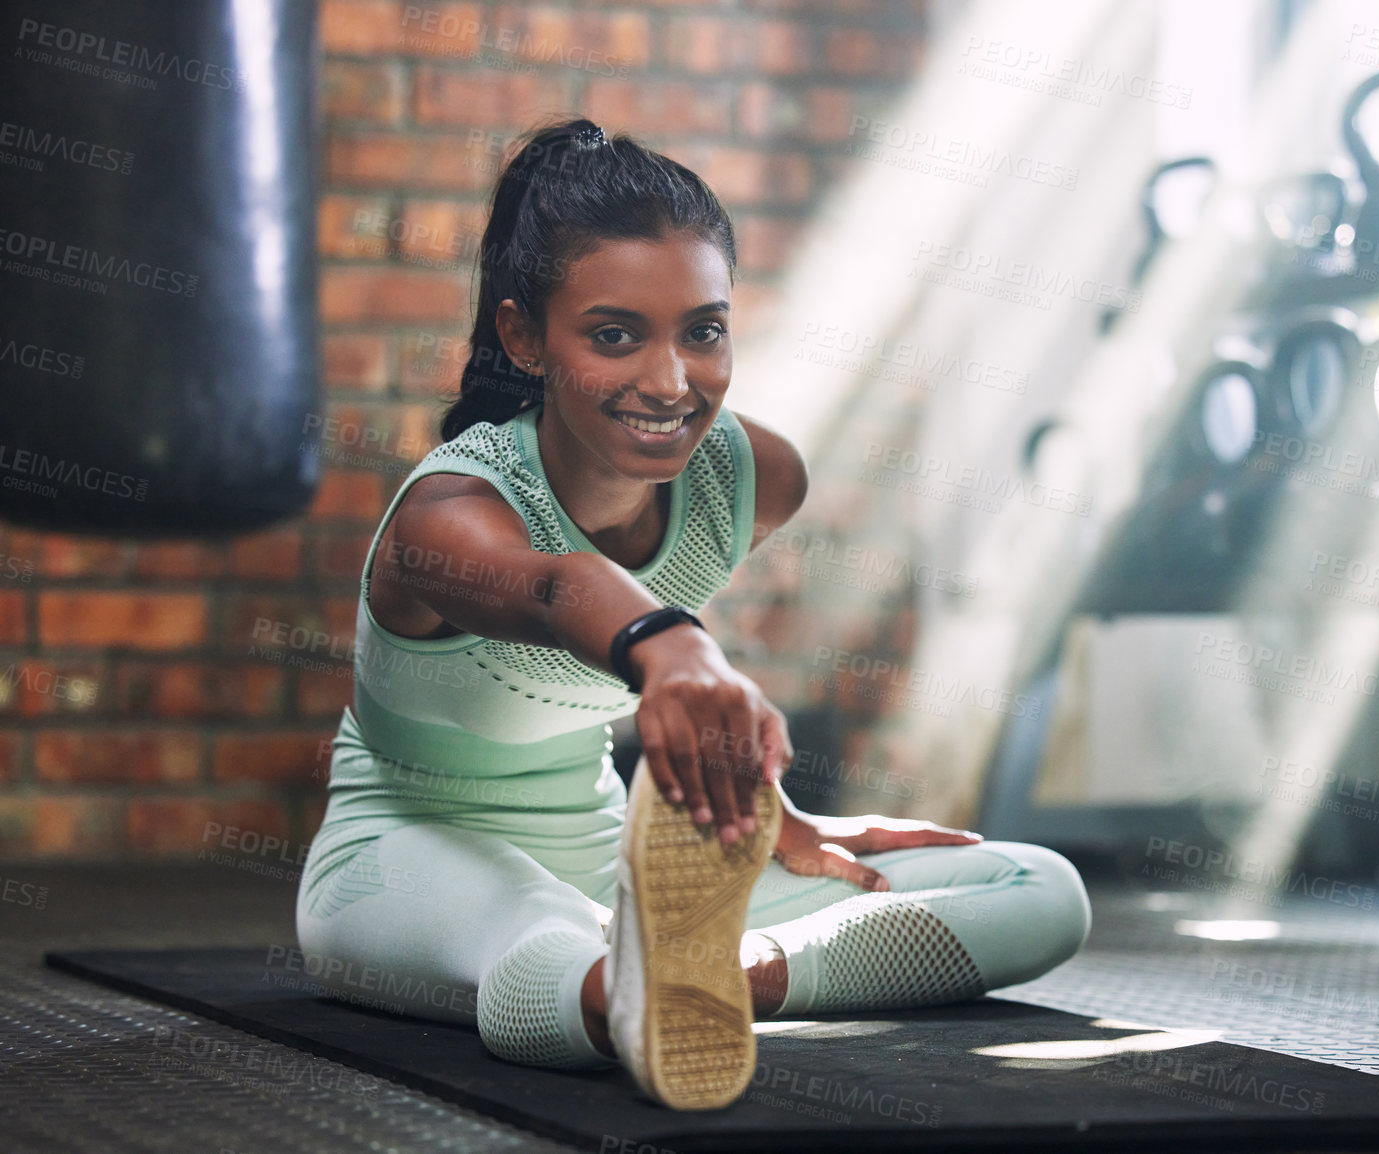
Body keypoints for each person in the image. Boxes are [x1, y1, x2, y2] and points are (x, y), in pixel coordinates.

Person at [295, 116, 1091, 1111]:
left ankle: (721, 971)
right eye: (615, 333)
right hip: (403, 854)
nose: (671, 383)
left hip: (605, 848)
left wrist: (775, 819)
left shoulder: (751, 478)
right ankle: (624, 986)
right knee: (539, 930)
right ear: (523, 335)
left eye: (702, 330)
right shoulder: (449, 514)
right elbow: (558, 585)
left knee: (1040, 885)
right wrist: (672, 647)